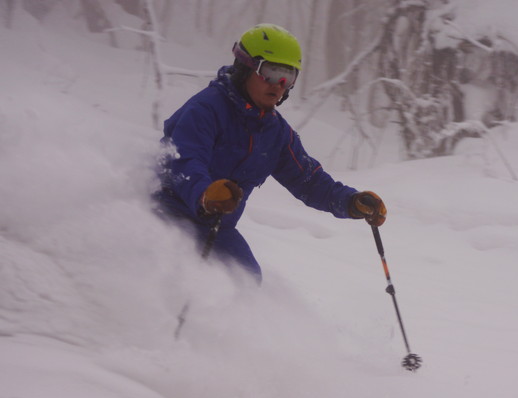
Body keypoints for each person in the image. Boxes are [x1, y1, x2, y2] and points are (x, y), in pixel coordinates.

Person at [154, 24, 386, 282]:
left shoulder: (275, 133)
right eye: (271, 72)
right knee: (170, 273)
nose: (280, 85)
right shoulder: (206, 110)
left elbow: (309, 181)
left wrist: (351, 202)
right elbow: (183, 161)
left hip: (216, 229)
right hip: (166, 213)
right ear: (245, 68)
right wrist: (206, 194)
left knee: (245, 280)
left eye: (289, 76)